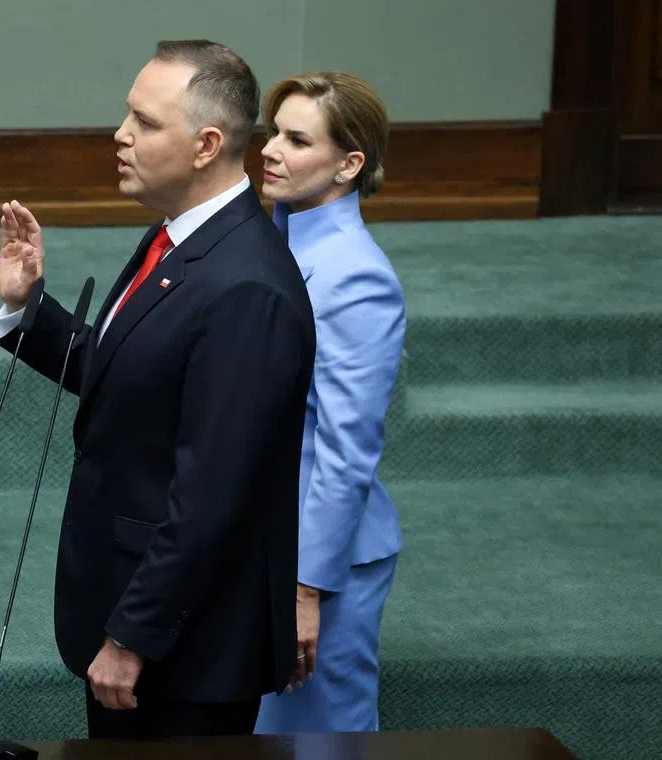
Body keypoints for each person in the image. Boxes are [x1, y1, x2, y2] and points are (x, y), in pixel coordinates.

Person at [0, 40, 315, 739]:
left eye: (145, 121)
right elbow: (133, 379)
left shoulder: (247, 288)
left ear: (206, 144)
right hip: (146, 621)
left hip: (184, 652)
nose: (120, 134)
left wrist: (132, 637)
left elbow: (212, 495)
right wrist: (27, 311)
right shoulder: (181, 241)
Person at [253, 72, 406, 734]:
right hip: (270, 546)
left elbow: (347, 448)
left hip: (321, 564)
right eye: (271, 132)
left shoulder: (355, 275)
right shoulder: (282, 243)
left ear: (350, 163)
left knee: (320, 743)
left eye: (296, 138)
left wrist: (303, 588)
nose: (270, 150)